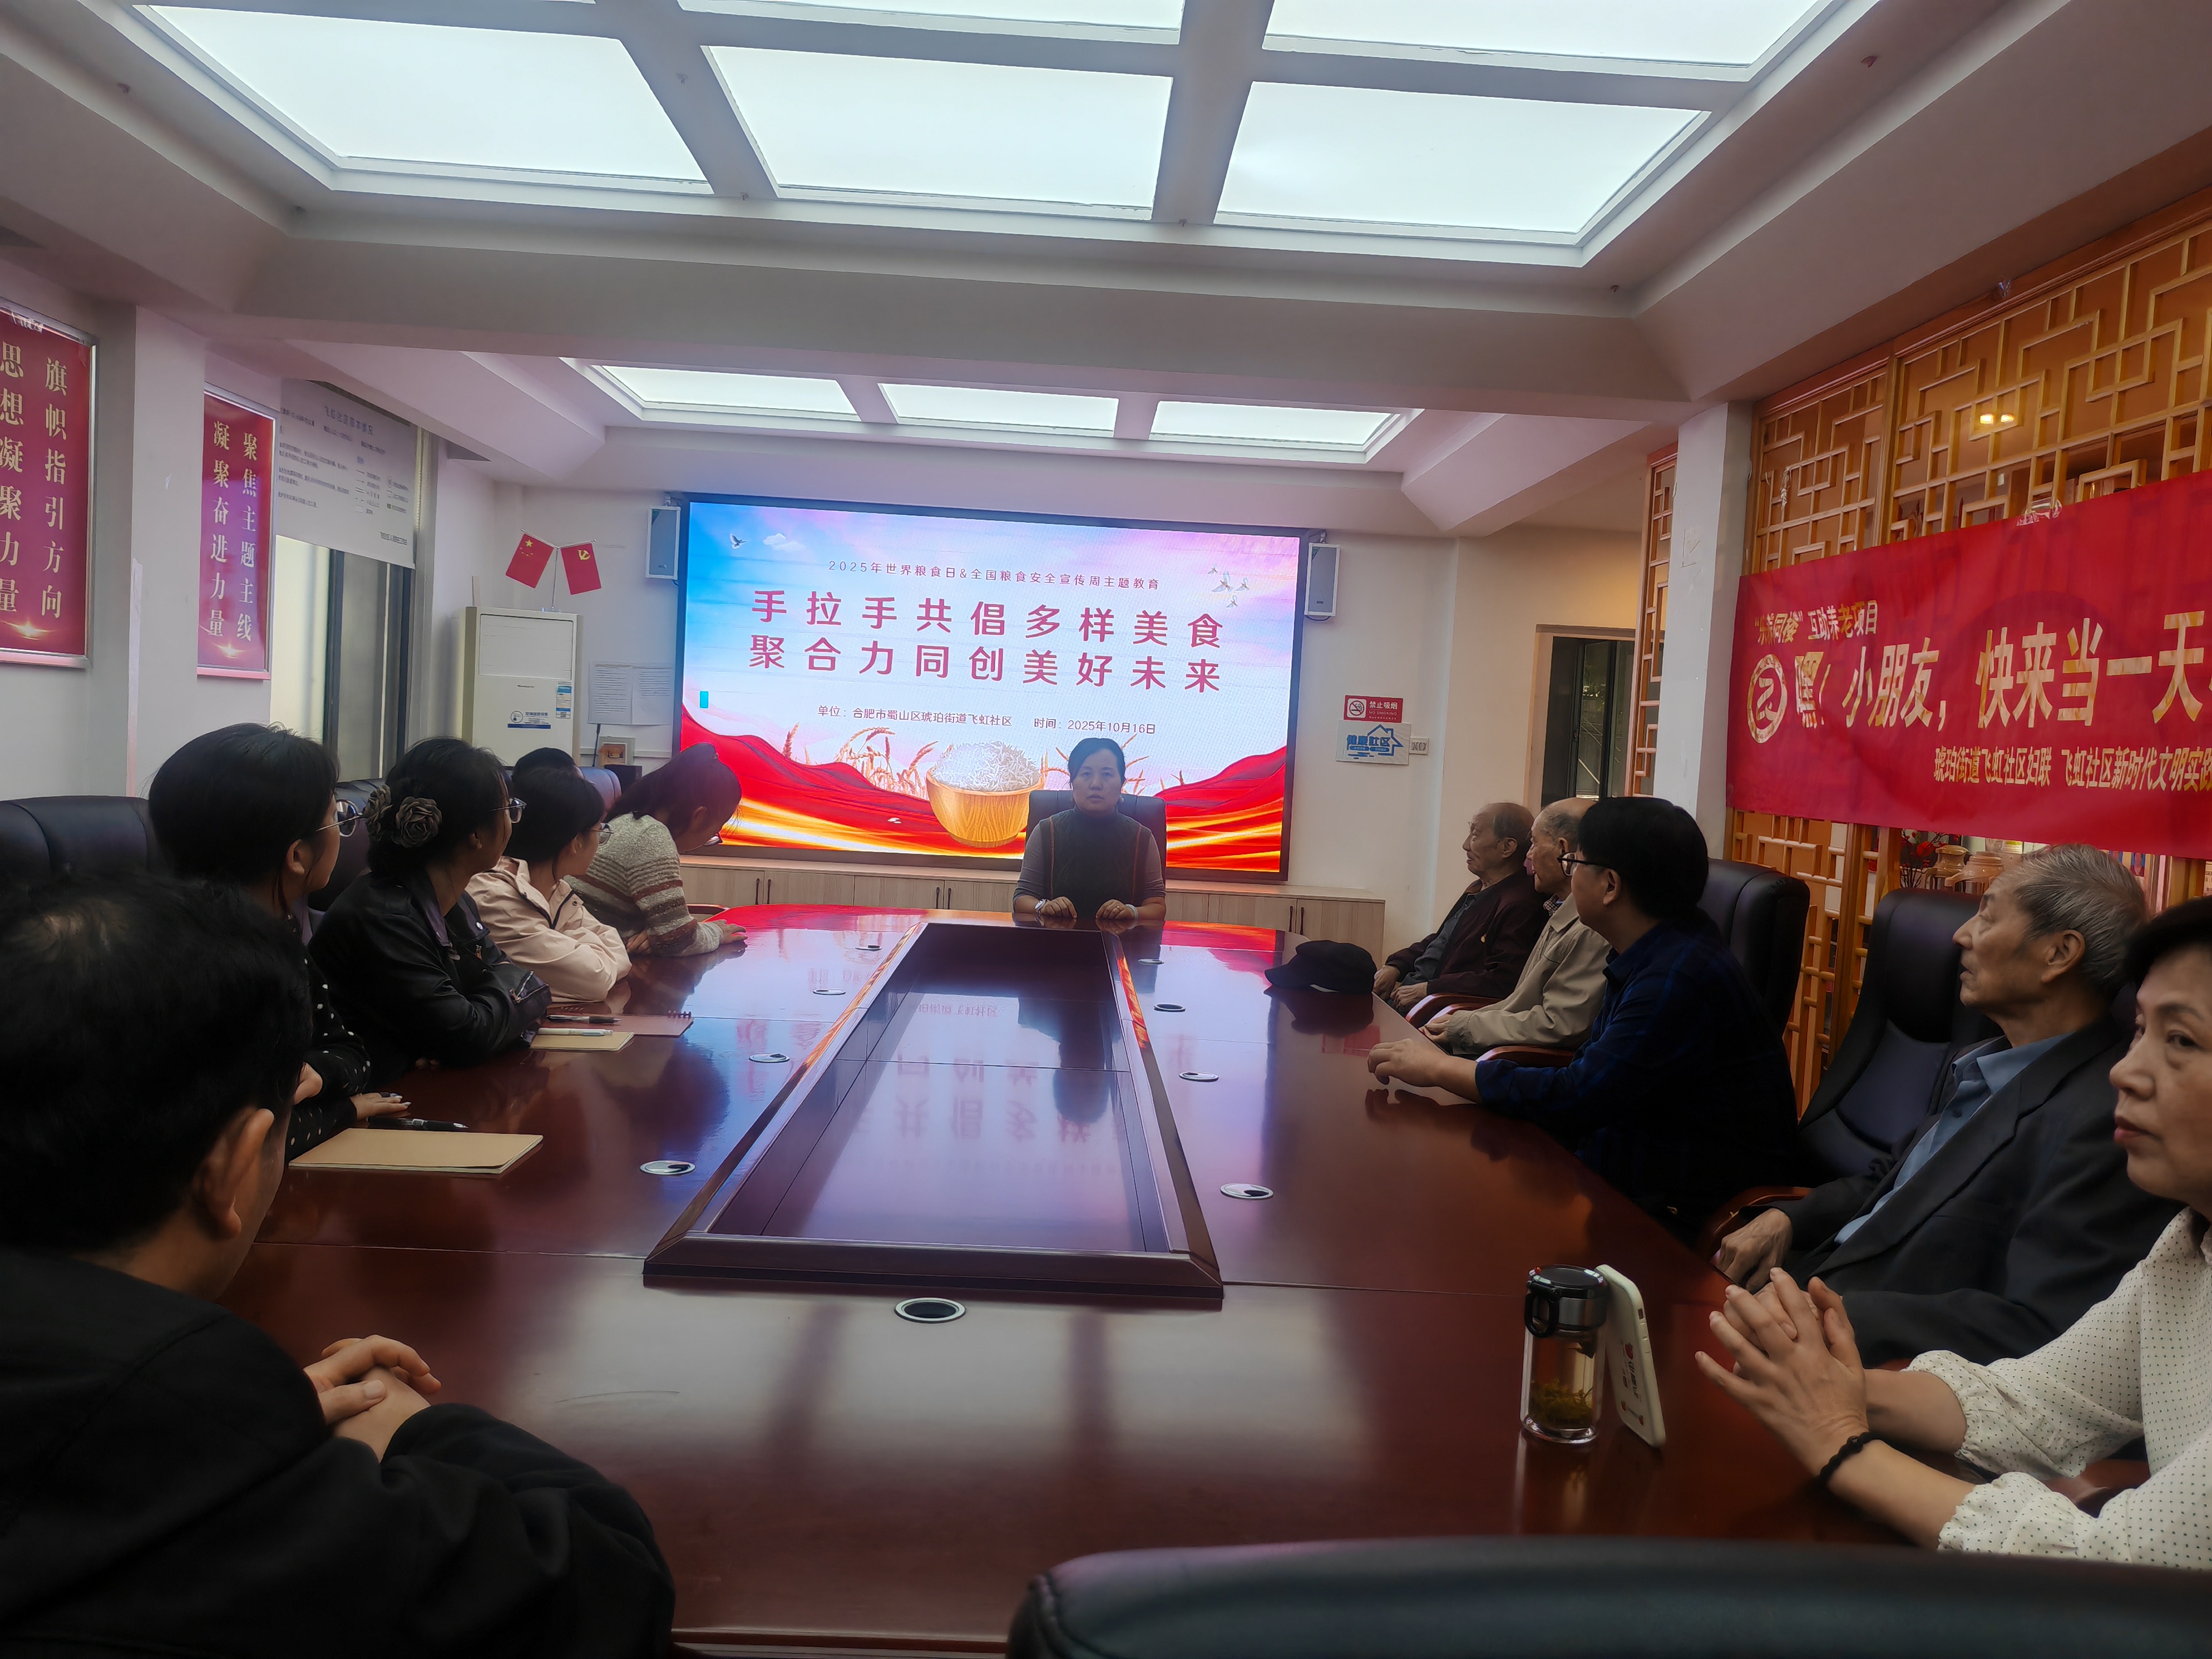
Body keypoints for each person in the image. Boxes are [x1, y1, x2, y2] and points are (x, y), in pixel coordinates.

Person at [0, 876, 674, 1651]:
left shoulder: (145, 1422)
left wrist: (240, 1422)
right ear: (233, 1167)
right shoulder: (230, 1499)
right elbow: (609, 1583)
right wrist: (416, 1430)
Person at [1701, 896, 2212, 1565]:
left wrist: (1840, 1442)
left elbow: (2110, 1564)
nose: (2125, 1070)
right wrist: (1829, 1386)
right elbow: (2034, 1404)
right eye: (2140, 1030)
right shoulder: (2186, 1249)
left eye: (2182, 1041)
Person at [1712, 844, 2175, 1364]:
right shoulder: (1985, 1061)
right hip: (1797, 1293)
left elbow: (2037, 1325)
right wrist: (1789, 1220)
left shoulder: (2109, 1122)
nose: (1961, 935)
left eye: (1987, 916)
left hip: (1867, 1361)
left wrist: (1832, 1315)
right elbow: (1894, 1183)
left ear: (2059, 953)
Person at [1366, 795, 1796, 1234]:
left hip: (1673, 1214)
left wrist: (1441, 1069)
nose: (1569, 877)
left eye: (1575, 864)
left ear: (1610, 886)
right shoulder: (1655, 951)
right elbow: (1590, 1073)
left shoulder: (1675, 980)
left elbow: (1578, 1097)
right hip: (1620, 1168)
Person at [146, 723, 408, 1156]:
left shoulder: (277, 936)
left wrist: (315, 1074)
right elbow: (239, 1144)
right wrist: (346, 1110)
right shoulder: (213, 972)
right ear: (298, 855)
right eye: (336, 818)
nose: (343, 830)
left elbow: (350, 1052)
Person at [312, 737, 551, 1082]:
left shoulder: (456, 901)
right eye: (508, 810)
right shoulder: (384, 917)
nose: (513, 822)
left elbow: (509, 985)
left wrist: (501, 1011)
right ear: (475, 833)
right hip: (379, 1099)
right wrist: (510, 1004)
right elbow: (468, 1035)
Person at [1422, 797, 1610, 1056]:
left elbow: (1560, 1024)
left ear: (1564, 853)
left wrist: (1464, 1026)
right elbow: (1518, 1004)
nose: (1528, 856)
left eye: (1534, 843)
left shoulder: (1590, 927)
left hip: (1519, 1063)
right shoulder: (1557, 909)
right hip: (1502, 1047)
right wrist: (1461, 1022)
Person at [468, 764, 631, 1004]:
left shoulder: (555, 889)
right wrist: (580, 942)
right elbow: (594, 979)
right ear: (576, 842)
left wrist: (577, 943)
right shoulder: (494, 896)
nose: (600, 841)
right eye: (600, 830)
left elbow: (617, 948)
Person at [572, 745, 744, 956]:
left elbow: (670, 934)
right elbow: (680, 940)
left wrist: (657, 934)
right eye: (715, 831)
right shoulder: (652, 837)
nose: (710, 838)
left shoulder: (628, 821)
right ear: (699, 816)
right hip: (593, 962)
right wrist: (715, 932)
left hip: (586, 953)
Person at [1374, 802, 1545, 1013]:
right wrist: (1397, 965)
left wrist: (1430, 989)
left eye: (1475, 834)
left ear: (1507, 847)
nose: (1466, 845)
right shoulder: (1479, 888)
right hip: (1412, 998)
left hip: (1436, 1012)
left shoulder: (1519, 904)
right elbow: (1443, 940)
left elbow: (1502, 981)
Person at [1013, 737, 1167, 926]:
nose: (1096, 784)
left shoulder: (1142, 838)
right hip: (1056, 941)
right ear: (1072, 781)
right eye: (1086, 774)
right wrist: (1044, 907)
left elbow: (1157, 907)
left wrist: (1132, 912)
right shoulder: (1046, 831)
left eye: (1107, 774)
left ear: (1122, 783)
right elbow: (1022, 899)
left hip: (1123, 943)